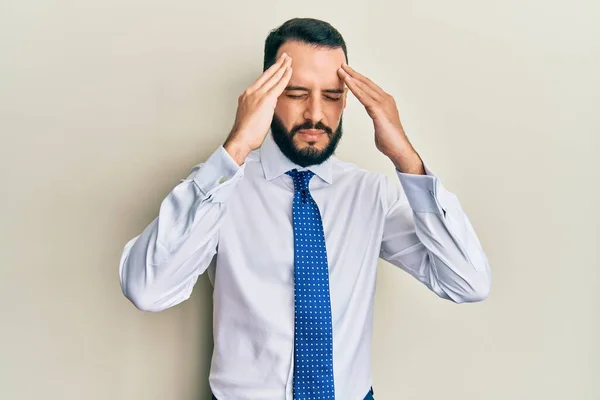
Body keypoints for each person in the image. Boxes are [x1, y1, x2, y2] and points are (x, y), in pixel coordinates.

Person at [119, 17, 491, 400]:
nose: (315, 114)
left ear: (346, 100)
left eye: (331, 96)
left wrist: (407, 161)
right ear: (266, 96)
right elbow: (147, 289)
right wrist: (236, 148)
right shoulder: (220, 187)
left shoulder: (373, 194)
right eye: (296, 94)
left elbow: (468, 282)